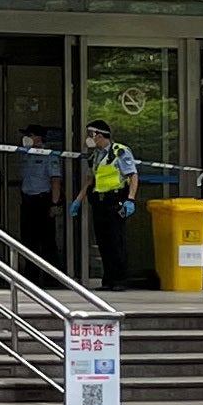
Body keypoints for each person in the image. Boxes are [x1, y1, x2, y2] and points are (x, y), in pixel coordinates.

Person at [76, 121, 138, 285]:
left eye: (91, 134)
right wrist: (78, 200)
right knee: (103, 242)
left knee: (116, 241)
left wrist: (130, 199)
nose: (88, 138)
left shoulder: (119, 151)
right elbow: (90, 180)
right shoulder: (95, 156)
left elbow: (132, 175)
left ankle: (119, 279)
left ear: (100, 135)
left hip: (115, 200)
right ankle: (108, 279)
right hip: (99, 203)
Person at [14, 125, 63, 268]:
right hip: (28, 201)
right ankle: (31, 277)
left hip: (43, 201)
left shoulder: (48, 155)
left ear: (39, 137)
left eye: (30, 135)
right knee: (28, 240)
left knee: (47, 240)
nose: (26, 138)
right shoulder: (25, 154)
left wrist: (54, 204)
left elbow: (55, 180)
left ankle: (51, 278)